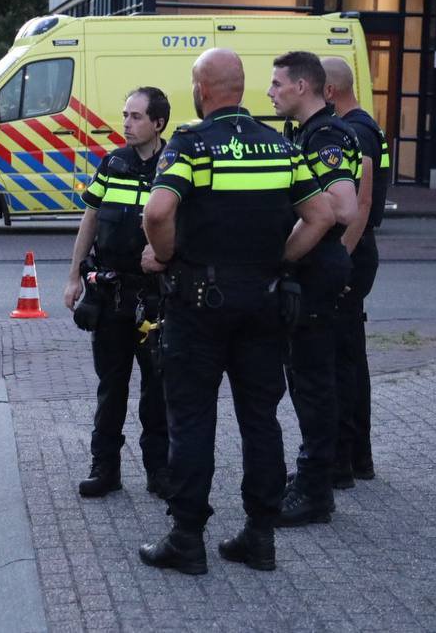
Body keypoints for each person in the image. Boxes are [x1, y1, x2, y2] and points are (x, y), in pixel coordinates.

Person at [137, 48, 335, 575]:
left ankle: (187, 538)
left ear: (202, 90)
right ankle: (260, 536)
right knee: (260, 420)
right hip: (264, 304)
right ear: (241, 88)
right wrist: (280, 260)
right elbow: (321, 215)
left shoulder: (192, 144)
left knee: (192, 420)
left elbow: (157, 211)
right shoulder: (280, 146)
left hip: (198, 306)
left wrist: (165, 255)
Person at [266, 51, 361, 527]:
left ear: (302, 87)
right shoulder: (304, 133)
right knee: (305, 379)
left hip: (316, 267)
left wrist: (284, 254)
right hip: (310, 267)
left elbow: (342, 207)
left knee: (314, 382)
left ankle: (315, 489)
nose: (270, 92)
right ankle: (312, 475)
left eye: (277, 84)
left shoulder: (326, 135)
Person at [64, 87, 172, 500]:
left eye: (136, 116)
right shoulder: (113, 163)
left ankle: (159, 471)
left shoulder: (175, 165)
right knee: (111, 387)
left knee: (157, 389)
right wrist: (74, 277)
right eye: (125, 114)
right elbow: (90, 218)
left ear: (158, 123)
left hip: (155, 299)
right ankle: (104, 468)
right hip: (110, 295)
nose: (126, 123)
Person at [322, 56, 390, 487]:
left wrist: (340, 259)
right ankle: (358, 458)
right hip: (357, 252)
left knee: (341, 362)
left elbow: (361, 204)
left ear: (329, 91)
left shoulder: (355, 132)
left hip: (352, 252)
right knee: (351, 358)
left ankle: (343, 462)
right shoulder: (365, 126)